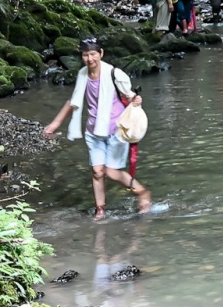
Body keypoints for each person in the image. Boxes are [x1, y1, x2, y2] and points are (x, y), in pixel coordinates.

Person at [42, 37, 152, 220]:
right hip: (93, 131)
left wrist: (137, 100)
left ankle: (142, 193)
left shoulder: (114, 73)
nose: (90, 58)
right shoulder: (83, 74)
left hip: (116, 130)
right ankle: (100, 209)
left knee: (112, 172)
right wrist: (55, 124)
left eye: (93, 54)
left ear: (101, 54)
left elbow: (131, 95)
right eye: (85, 55)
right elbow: (74, 101)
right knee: (97, 171)